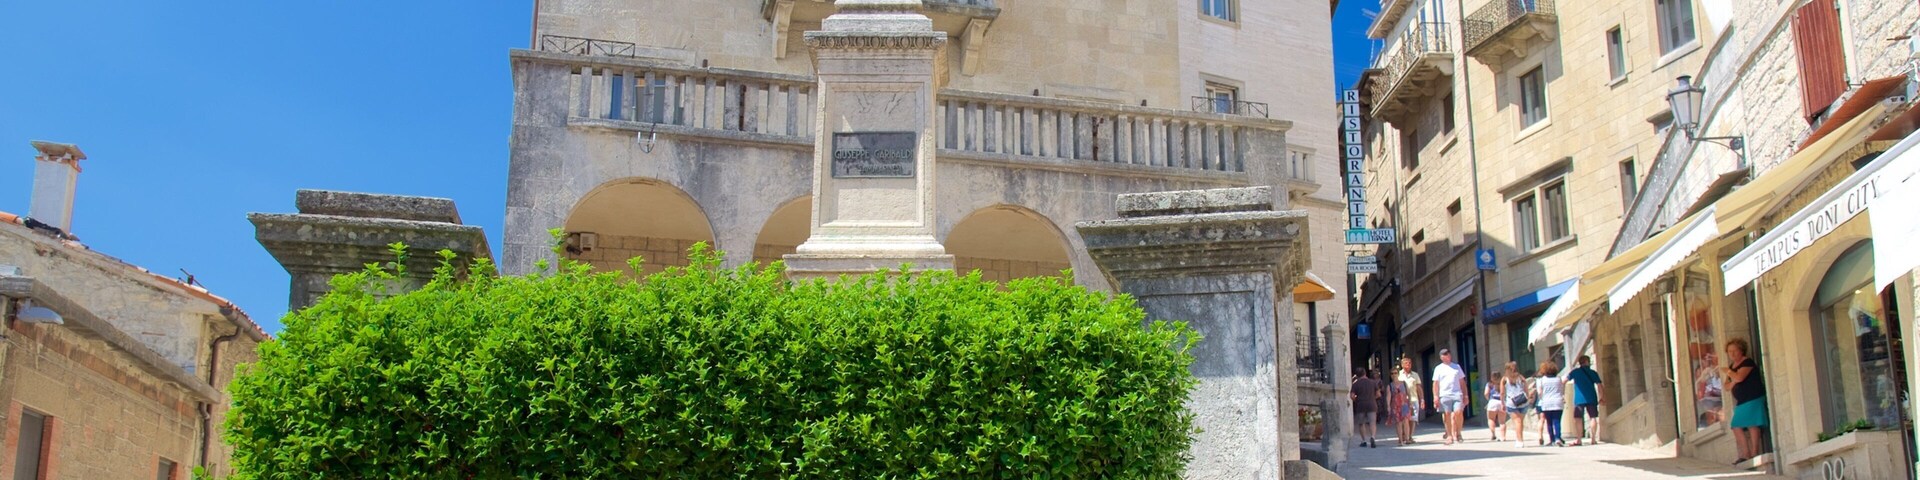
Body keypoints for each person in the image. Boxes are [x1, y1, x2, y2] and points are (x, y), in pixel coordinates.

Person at [1722, 338, 1767, 464]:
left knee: (1751, 425)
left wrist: (1730, 374)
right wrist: (1733, 378)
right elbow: (1726, 386)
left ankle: (1753, 453)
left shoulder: (1747, 362)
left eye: (1735, 351)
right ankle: (1746, 454)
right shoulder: (1732, 366)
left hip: (1753, 397)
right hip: (1742, 400)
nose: (1732, 354)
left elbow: (1740, 377)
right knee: (1738, 426)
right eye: (1730, 351)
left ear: (1741, 350)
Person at [1432, 349, 1469, 445]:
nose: (1446, 356)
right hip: (1444, 394)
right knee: (1447, 414)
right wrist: (1435, 396)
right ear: (1441, 357)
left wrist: (1465, 395)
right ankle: (1449, 435)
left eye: (1447, 354)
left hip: (1457, 394)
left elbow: (1462, 382)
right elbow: (1435, 383)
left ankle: (1459, 433)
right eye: (1444, 355)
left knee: (1458, 412)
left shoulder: (1456, 367)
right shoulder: (1438, 368)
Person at [1566, 354, 1605, 445]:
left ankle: (1579, 439)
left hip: (1579, 399)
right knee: (1593, 417)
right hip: (1591, 398)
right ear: (1587, 362)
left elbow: (1564, 380)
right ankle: (1593, 439)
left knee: (1578, 418)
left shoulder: (1575, 372)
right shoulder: (1593, 372)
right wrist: (1602, 397)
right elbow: (1599, 386)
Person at [1534, 360, 1567, 447]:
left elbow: (1540, 392)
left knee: (1549, 422)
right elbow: (1562, 390)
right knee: (1557, 421)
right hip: (1557, 401)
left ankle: (1552, 439)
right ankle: (1558, 438)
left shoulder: (1541, 380)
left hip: (1546, 402)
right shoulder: (1558, 379)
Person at [1500, 362, 1531, 447]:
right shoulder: (1521, 377)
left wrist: (1502, 403)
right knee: (1520, 422)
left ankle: (1519, 441)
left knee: (1517, 422)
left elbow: (1502, 393)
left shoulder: (1504, 379)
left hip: (1511, 402)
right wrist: (1527, 398)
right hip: (1523, 402)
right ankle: (1519, 439)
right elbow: (1526, 389)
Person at [1394, 356, 1423, 445]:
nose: (1408, 365)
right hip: (1402, 401)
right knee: (1404, 419)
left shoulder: (1415, 375)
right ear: (1402, 365)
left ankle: (1410, 436)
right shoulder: (1399, 375)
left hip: (1414, 399)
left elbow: (1418, 388)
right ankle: (1403, 436)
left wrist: (1422, 399)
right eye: (1406, 363)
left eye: (1410, 363)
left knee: (1413, 419)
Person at [1352, 368, 1381, 448]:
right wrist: (1372, 398)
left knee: (1361, 423)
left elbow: (1352, 396)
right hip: (1371, 404)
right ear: (1365, 373)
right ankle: (1372, 437)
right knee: (1372, 422)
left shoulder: (1356, 384)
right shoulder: (1373, 382)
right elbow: (1378, 394)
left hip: (1361, 404)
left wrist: (1357, 400)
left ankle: (1364, 440)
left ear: (1357, 375)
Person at [1482, 371, 1507, 442]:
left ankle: (1493, 434)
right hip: (1501, 401)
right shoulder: (1503, 383)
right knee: (1502, 422)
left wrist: (1488, 400)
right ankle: (1503, 437)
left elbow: (1486, 393)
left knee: (1491, 419)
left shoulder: (1489, 384)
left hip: (1492, 401)